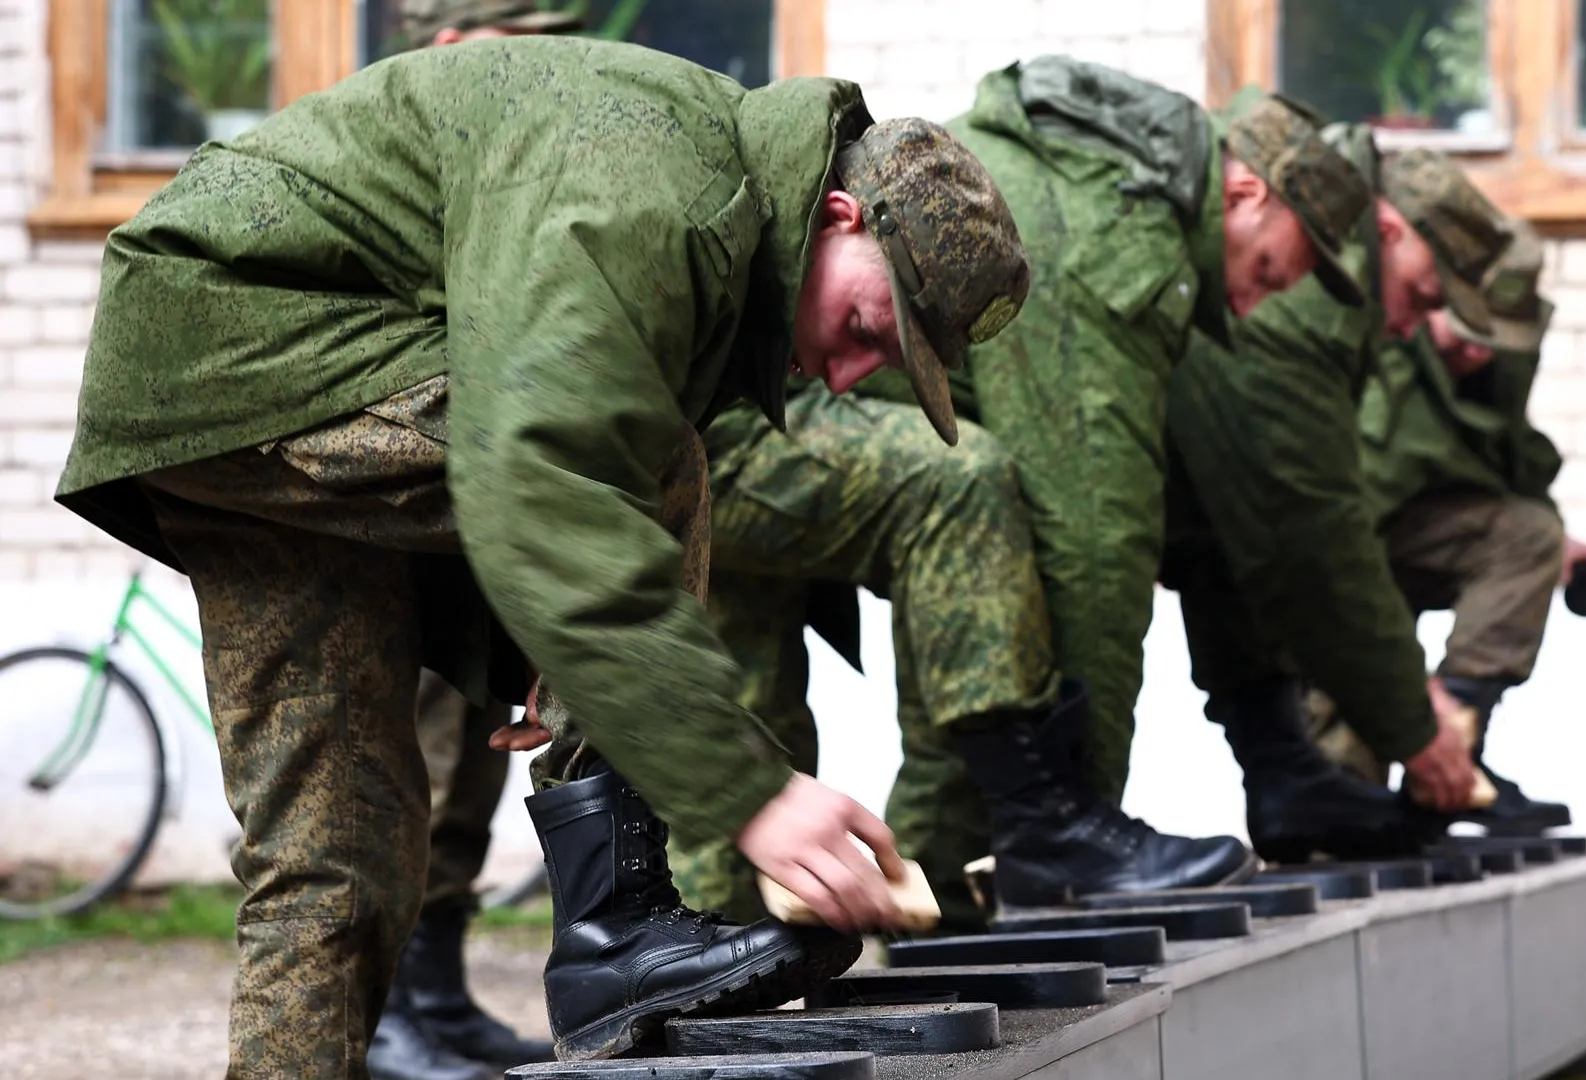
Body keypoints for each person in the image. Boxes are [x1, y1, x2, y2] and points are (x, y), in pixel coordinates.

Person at [55, 34, 1028, 1078]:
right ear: (839, 216)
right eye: (870, 330)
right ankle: (618, 928)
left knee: (338, 854)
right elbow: (547, 478)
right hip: (254, 334)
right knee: (657, 469)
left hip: (213, 376)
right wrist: (752, 791)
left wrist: (547, 646)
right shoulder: (666, 192)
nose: (847, 376)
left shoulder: (706, 215)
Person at [655, 56, 1376, 924]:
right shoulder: (1114, 234)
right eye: (1282, 264)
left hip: (719, 421)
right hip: (711, 425)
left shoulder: (1102, 194)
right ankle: (990, 867)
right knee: (959, 497)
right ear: (1251, 193)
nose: (1269, 299)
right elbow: (1093, 539)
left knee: (754, 712)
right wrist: (1083, 830)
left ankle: (750, 976)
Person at [1161, 92, 1513, 865]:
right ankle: (968, 892)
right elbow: (1315, 542)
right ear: (1389, 229)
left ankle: (1285, 768)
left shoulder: (1319, 273)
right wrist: (1418, 736)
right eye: (1422, 296)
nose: (1412, 327)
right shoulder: (1303, 299)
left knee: (1220, 532)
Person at [367, 5, 585, 1078]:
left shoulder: (501, 154)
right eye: (525, 41)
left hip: (478, 490)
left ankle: (436, 987)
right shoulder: (395, 148)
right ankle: (383, 1007)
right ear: (452, 44)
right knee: (411, 756)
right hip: (395, 500)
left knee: (473, 754)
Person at [1322, 220, 1586, 835]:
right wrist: (1408, 695)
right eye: (1465, 330)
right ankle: (1346, 808)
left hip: (1406, 525)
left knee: (1527, 533)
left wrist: (1553, 541)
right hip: (1332, 550)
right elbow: (1333, 546)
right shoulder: (1381, 361)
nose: (1479, 351)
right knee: (1343, 778)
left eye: (1496, 337)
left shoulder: (1496, 349)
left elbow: (1504, 446)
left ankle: (1453, 766)